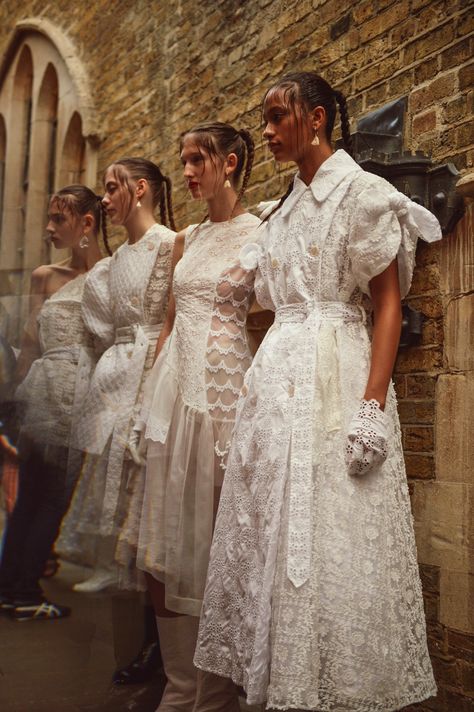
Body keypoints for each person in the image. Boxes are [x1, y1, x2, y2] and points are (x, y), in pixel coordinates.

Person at [194, 72, 440, 711]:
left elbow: (388, 303)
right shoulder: (285, 208)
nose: (269, 131)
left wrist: (370, 407)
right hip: (278, 386)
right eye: (266, 118)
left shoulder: (362, 193)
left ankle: (344, 690)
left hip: (336, 377)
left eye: (279, 117)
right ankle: (290, 687)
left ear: (320, 117)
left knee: (339, 535)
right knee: (274, 537)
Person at [135, 122, 260, 710]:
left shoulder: (260, 232)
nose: (186, 172)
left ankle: (218, 691)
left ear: (229, 162)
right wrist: (146, 401)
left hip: (229, 393)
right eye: (182, 161)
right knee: (164, 540)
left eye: (196, 160)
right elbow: (168, 319)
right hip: (173, 396)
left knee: (221, 537)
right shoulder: (182, 239)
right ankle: (180, 687)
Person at [59, 158, 176, 599]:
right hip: (120, 363)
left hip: (156, 359)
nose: (105, 199)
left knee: (142, 460)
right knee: (111, 460)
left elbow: (172, 310)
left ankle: (141, 565)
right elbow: (105, 326)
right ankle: (113, 561)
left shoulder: (168, 244)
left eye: (112, 189)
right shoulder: (114, 262)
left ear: (140, 189)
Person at [0, 185, 106, 620]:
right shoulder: (44, 276)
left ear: (87, 225)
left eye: (58, 219)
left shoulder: (109, 275)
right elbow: (28, 345)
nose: (48, 227)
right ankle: (19, 591)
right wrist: (11, 408)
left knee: (51, 496)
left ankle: (16, 586)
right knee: (38, 498)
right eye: (49, 217)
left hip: (82, 393)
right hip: (42, 393)